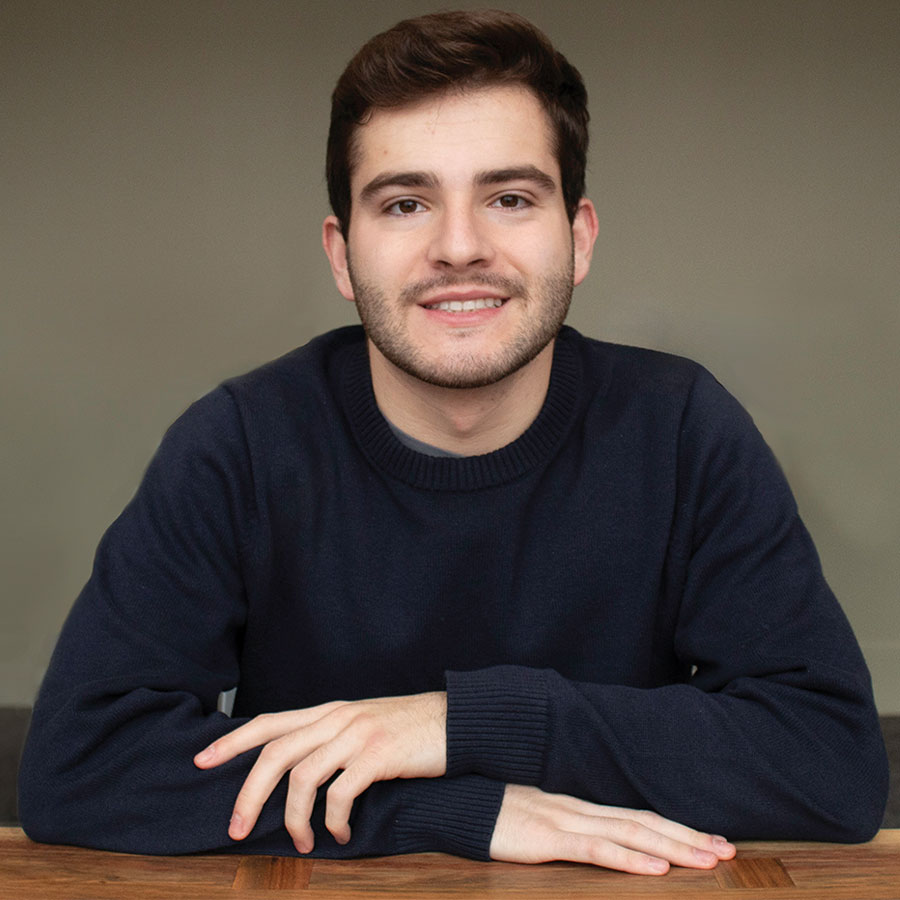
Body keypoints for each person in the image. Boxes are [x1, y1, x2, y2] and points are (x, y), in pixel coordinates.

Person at [18, 9, 887, 876]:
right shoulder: (240, 443)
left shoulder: (682, 427)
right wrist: (455, 808)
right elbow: (81, 766)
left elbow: (829, 764)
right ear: (342, 255)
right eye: (405, 203)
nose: (459, 247)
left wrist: (458, 723)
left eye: (509, 199)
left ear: (578, 238)